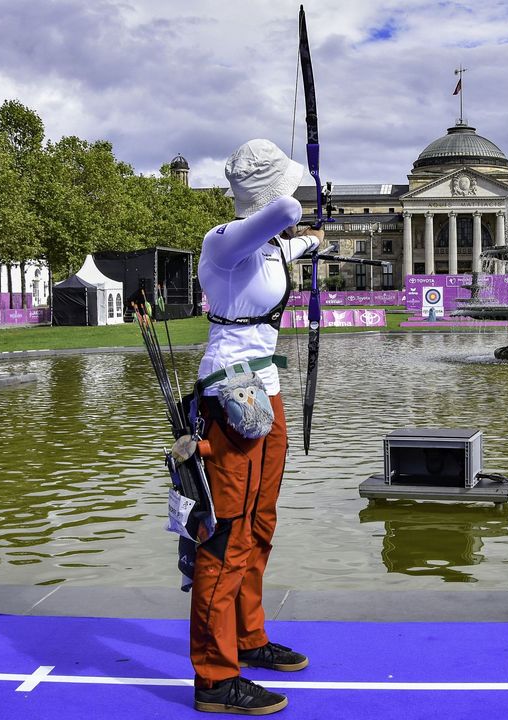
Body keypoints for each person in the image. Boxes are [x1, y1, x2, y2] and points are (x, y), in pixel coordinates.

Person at [188, 138, 321, 716]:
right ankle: (215, 678)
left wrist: (316, 242)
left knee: (260, 522)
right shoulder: (222, 243)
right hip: (229, 396)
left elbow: (294, 241)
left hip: (265, 392)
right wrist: (299, 206)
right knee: (226, 534)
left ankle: (249, 637)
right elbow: (288, 214)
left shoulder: (269, 250)